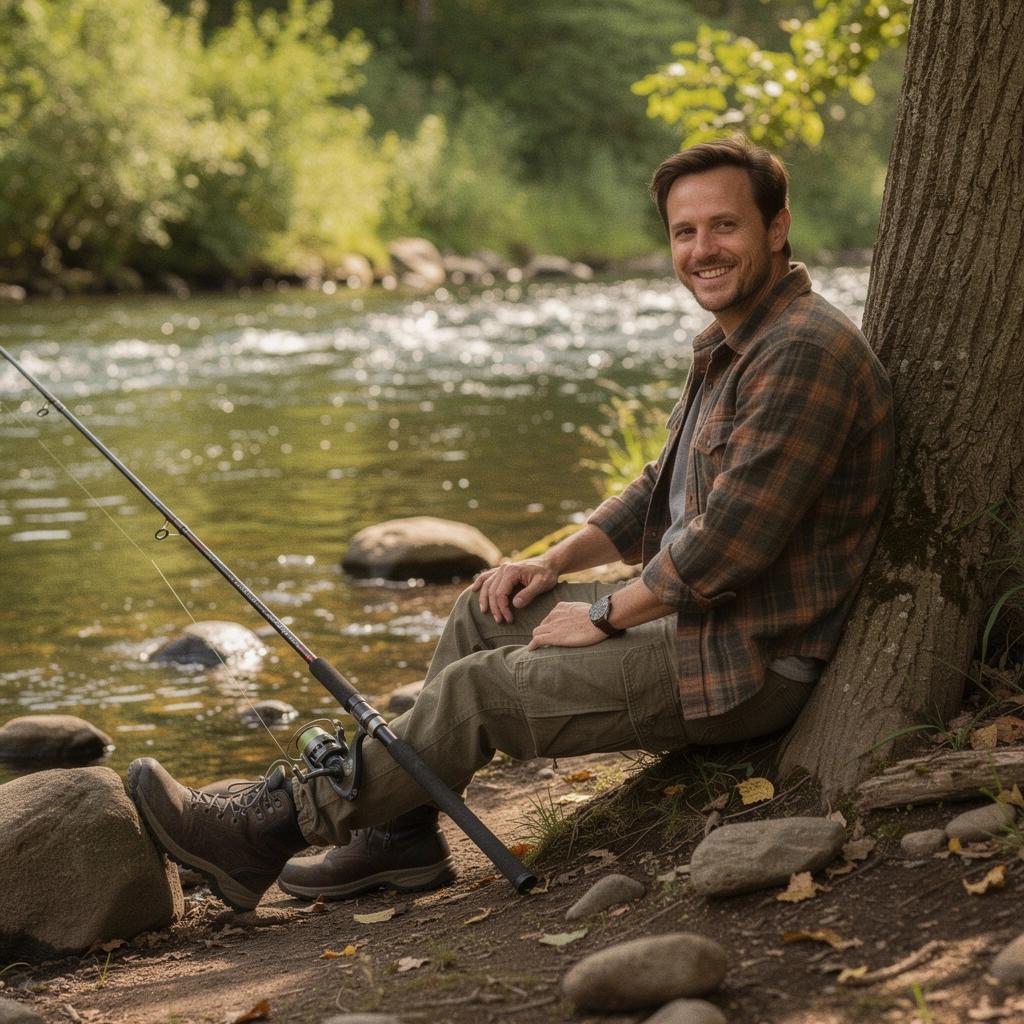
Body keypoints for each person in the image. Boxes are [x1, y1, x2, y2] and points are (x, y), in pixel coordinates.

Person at [127, 135, 894, 912]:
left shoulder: (800, 350)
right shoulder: (739, 342)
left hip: (748, 662)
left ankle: (261, 830)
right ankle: (400, 839)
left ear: (776, 227)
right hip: (706, 627)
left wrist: (603, 612)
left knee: (479, 693)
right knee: (484, 608)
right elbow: (656, 492)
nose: (702, 249)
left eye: (723, 226)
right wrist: (555, 568)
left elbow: (727, 547)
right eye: (684, 232)